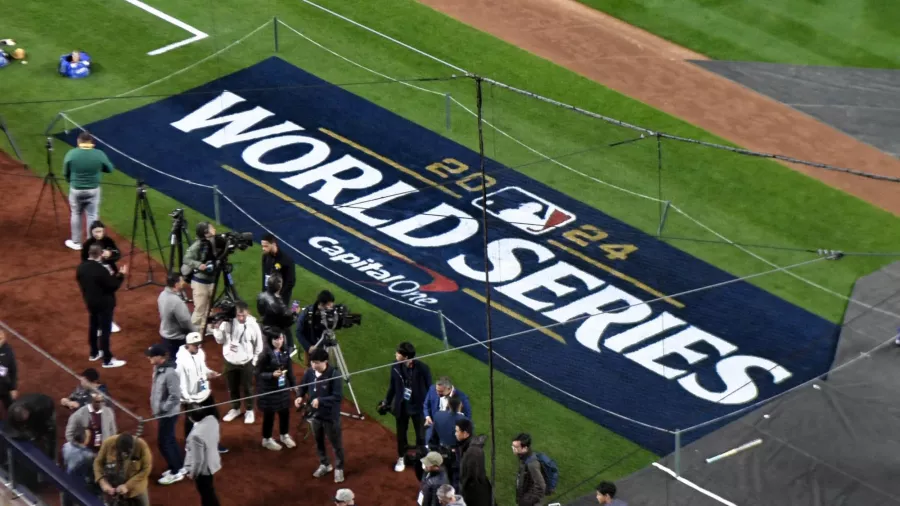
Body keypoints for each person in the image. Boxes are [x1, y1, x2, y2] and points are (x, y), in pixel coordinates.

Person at [296, 347, 345, 482]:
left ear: (325, 362)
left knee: (336, 444)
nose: (313, 365)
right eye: (312, 362)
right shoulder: (310, 372)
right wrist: (300, 396)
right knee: (319, 442)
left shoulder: (334, 375)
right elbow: (303, 386)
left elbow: (337, 397)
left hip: (330, 417)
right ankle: (325, 464)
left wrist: (321, 400)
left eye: (317, 362)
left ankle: (339, 468)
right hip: (315, 415)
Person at [382, 341, 432, 472]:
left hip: (418, 407)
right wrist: (386, 401)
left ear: (406, 357)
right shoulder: (395, 366)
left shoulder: (423, 369)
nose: (395, 354)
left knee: (421, 436)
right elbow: (392, 386)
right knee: (401, 435)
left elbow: (430, 389)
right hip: (402, 406)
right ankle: (401, 457)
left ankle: (422, 458)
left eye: (398, 353)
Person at [75, 243, 127, 368]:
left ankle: (94, 353)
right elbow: (112, 286)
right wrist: (121, 275)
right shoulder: (101, 270)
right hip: (104, 304)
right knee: (105, 330)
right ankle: (107, 360)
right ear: (100, 254)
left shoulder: (81, 267)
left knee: (93, 327)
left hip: (90, 302)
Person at [176, 332, 228, 453]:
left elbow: (203, 368)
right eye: (195, 345)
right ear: (188, 344)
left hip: (205, 393)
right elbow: (181, 384)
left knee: (214, 418)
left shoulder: (200, 353)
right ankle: (189, 445)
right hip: (192, 398)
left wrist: (210, 373)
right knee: (192, 422)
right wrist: (189, 401)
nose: (197, 347)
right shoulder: (181, 363)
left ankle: (213, 442)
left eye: (199, 344)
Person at [213, 300, 262, 424]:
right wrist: (217, 329)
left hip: (246, 362)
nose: (241, 318)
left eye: (243, 315)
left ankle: (250, 410)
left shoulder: (253, 325)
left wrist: (254, 361)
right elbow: (219, 341)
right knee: (232, 387)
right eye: (238, 315)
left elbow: (259, 345)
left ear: (248, 313)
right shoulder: (227, 323)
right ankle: (236, 408)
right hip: (230, 361)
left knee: (248, 388)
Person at [63, 131, 113, 251]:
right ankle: (92, 242)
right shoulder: (99, 154)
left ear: (79, 141)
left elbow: (65, 173)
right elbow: (110, 169)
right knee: (92, 215)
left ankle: (76, 242)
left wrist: (71, 181)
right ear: (91, 142)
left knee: (76, 213)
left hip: (76, 190)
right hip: (93, 190)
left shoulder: (71, 154)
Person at [146, 343, 186, 486]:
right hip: (163, 413)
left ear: (160, 357)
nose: (149, 357)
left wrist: (163, 408)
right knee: (169, 440)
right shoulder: (157, 369)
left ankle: (175, 472)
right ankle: (179, 467)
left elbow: (175, 396)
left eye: (152, 355)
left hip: (168, 414)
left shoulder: (170, 373)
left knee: (164, 442)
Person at [255, 329, 298, 451]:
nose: (278, 342)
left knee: (285, 413)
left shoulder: (285, 352)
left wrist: (294, 385)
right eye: (275, 339)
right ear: (270, 340)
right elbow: (257, 373)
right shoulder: (264, 355)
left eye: (280, 339)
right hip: (269, 391)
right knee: (270, 415)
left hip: (282, 389)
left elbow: (289, 370)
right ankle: (266, 439)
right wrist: (271, 375)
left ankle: (284, 435)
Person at [81, 221, 122, 333]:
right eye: (96, 231)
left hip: (108, 275)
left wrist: (110, 254)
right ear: (92, 232)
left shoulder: (108, 241)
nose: (99, 233)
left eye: (101, 231)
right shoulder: (88, 244)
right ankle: (99, 325)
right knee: (97, 302)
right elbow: (84, 261)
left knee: (110, 301)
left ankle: (108, 322)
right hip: (95, 277)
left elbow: (118, 254)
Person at [94, 433, 152, 506]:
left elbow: (146, 469)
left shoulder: (141, 446)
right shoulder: (107, 444)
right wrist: (102, 482)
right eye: (123, 453)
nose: (125, 456)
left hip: (136, 487)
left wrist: (127, 486)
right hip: (114, 488)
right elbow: (97, 463)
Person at [182, 222, 218, 331]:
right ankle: (192, 332)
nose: (213, 228)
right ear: (205, 232)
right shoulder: (197, 245)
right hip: (200, 282)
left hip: (211, 280)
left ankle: (204, 328)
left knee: (209, 307)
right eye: (210, 228)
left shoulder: (212, 241)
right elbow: (186, 259)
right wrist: (199, 265)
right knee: (200, 309)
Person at [184, 408, 222, 506]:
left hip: (203, 469)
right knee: (208, 491)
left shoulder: (195, 436)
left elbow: (198, 461)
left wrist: (193, 474)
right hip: (212, 461)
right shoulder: (212, 420)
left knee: (207, 493)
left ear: (191, 418)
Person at [431, 398, 468, 489]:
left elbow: (433, 437)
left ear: (448, 405)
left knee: (441, 476)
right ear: (460, 406)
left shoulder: (438, 416)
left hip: (441, 452)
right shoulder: (465, 421)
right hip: (456, 455)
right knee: (456, 479)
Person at [6, 393, 57, 459]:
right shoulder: (11, 411)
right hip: (34, 409)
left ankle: (52, 458)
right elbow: (13, 426)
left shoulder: (40, 409)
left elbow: (43, 425)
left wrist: (37, 436)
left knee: (50, 433)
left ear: (27, 411)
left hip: (47, 409)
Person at [159, 272, 197, 357]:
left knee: (170, 360)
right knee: (179, 362)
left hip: (165, 334)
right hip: (176, 339)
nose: (183, 282)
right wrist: (195, 332)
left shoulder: (162, 295)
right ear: (176, 284)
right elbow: (185, 321)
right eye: (181, 281)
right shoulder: (176, 302)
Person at [454, 419, 492, 506]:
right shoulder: (468, 446)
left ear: (465, 433)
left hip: (474, 494)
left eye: (457, 431)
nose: (455, 433)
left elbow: (471, 476)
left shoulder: (472, 452)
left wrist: (463, 490)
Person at [423, 377, 471, 442]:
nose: (437, 393)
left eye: (441, 391)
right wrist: (427, 417)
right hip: (433, 428)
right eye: (436, 390)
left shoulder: (462, 398)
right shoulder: (432, 389)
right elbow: (426, 405)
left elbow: (467, 418)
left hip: (450, 433)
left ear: (449, 389)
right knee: (430, 448)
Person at [257, 273, 297, 347]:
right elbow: (289, 321)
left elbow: (260, 310)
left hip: (263, 327)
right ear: (280, 287)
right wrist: (295, 313)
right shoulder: (280, 305)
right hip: (275, 333)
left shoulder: (260, 295)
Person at [62, 430, 99, 503]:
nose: (89, 438)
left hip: (66, 482)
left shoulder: (66, 446)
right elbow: (96, 458)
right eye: (88, 437)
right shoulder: (86, 454)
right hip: (80, 485)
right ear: (84, 439)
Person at [296, 289, 336, 355]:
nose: (330, 308)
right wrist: (308, 347)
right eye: (329, 306)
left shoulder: (330, 312)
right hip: (312, 348)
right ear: (321, 304)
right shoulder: (307, 313)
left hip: (325, 345)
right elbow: (298, 332)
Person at [261, 233, 296, 304]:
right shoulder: (265, 257)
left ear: (273, 244)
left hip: (280, 299)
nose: (263, 248)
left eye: (266, 246)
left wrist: (279, 295)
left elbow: (291, 282)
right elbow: (265, 275)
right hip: (267, 296)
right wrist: (263, 292)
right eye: (262, 246)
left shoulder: (287, 260)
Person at [512, 433, 545, 506]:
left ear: (525, 448)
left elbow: (541, 487)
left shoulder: (532, 464)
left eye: (516, 447)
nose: (513, 449)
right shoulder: (523, 456)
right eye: (513, 446)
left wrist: (525, 502)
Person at [0, 329, 18, 412]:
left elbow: (13, 370)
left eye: (1, 338)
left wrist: (13, 388)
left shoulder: (8, 351)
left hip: (5, 387)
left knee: (11, 408)